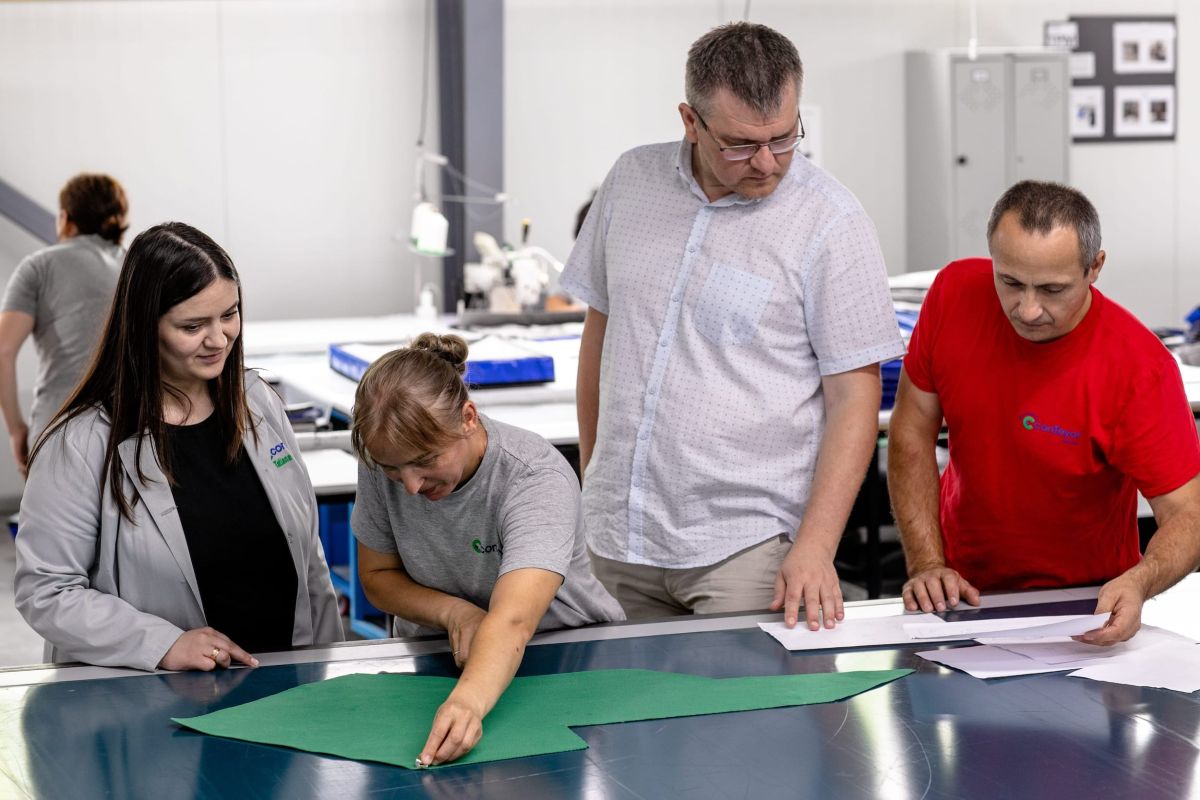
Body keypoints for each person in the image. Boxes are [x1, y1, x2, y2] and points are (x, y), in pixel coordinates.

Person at [560, 22, 904, 629]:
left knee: (744, 694)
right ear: (691, 122)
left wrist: (817, 547)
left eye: (784, 137)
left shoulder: (830, 220)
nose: (768, 163)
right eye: (741, 144)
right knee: (614, 693)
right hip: (617, 538)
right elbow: (602, 338)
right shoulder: (630, 182)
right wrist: (595, 480)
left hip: (746, 549)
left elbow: (855, 397)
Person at [14, 221, 343, 671]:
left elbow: (308, 559)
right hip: (158, 696)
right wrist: (163, 644)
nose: (219, 338)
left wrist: (329, 666)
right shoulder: (80, 443)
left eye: (229, 314)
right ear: (144, 327)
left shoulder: (259, 404)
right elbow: (47, 591)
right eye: (193, 326)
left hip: (284, 684)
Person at [888, 180, 1200, 645]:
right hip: (959, 590)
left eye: (1053, 289)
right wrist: (927, 563)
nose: (1029, 310)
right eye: (1010, 282)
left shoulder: (1139, 369)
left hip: (1086, 603)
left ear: (1095, 268)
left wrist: (1140, 581)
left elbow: (1189, 516)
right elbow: (911, 431)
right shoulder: (954, 293)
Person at [349, 333, 624, 766]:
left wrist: (466, 705)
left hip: (561, 656)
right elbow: (377, 577)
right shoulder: (386, 460)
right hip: (436, 660)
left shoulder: (534, 478)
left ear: (468, 418)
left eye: (425, 460)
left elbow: (514, 619)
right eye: (392, 469)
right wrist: (454, 613)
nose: (411, 486)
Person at [0, 173, 128, 478]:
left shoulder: (38, 266)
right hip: (129, 428)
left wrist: (16, 429)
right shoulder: (136, 266)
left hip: (58, 429)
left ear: (65, 218)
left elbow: (3, 351)